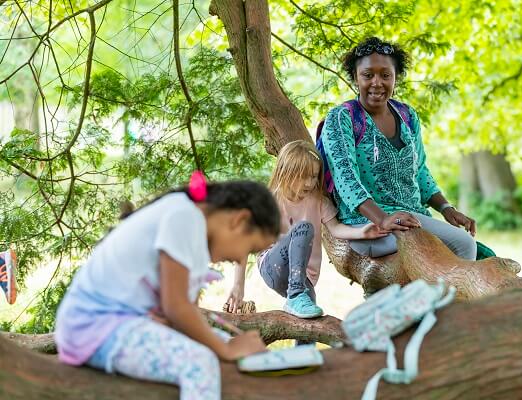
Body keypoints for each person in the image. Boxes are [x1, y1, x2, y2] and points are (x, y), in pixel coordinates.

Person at [55, 172, 280, 400]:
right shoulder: (185, 217)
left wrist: (230, 344)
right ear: (239, 220)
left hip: (123, 324)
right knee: (200, 363)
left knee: (221, 342)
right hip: (95, 327)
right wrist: (228, 349)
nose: (241, 260)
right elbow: (176, 306)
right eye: (250, 250)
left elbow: (180, 315)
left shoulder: (193, 226)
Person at [319, 37, 477, 260]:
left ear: (396, 78)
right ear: (355, 77)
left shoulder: (407, 116)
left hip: (412, 218)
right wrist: (383, 218)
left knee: (470, 249)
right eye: (367, 75)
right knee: (464, 245)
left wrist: (446, 209)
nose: (377, 82)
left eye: (385, 75)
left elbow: (420, 171)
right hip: (369, 226)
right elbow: (346, 180)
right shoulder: (342, 118)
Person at [235, 140, 388, 319]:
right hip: (273, 266)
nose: (310, 182)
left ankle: (303, 340)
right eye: (303, 176)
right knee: (304, 228)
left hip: (304, 278)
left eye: (314, 176)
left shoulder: (318, 201)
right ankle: (295, 295)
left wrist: (362, 232)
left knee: (310, 316)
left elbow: (336, 228)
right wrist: (238, 287)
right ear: (286, 173)